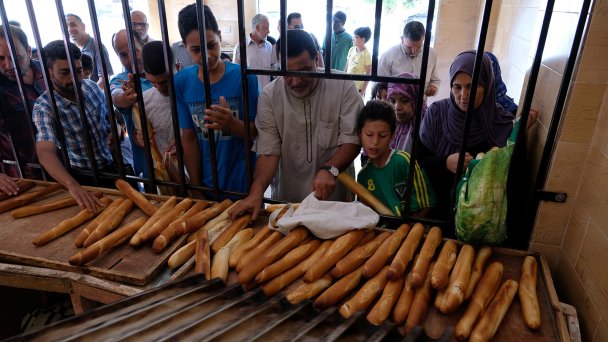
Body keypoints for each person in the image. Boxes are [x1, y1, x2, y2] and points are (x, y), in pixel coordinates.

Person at [231, 29, 363, 220]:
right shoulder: (270, 96)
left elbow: (352, 141)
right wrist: (256, 192)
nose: (295, 81)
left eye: (304, 71)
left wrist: (330, 169)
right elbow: (268, 152)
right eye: (287, 73)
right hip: (288, 203)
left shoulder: (342, 85)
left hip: (334, 203)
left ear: (317, 59)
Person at [176, 4, 259, 197]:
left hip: (242, 184)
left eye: (211, 45)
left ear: (220, 36)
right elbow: (188, 138)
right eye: (196, 49)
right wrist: (196, 187)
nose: (206, 55)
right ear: (185, 46)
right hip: (205, 185)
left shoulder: (245, 77)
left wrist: (233, 124)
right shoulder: (181, 82)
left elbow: (257, 132)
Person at [418, 50, 515, 215]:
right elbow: (418, 159)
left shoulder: (502, 121)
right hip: (435, 209)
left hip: (480, 217)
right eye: (457, 87)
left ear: (487, 84)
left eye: (472, 86)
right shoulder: (436, 113)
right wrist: (445, 162)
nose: (463, 95)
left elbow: (510, 177)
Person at [32, 40, 112, 211]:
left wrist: (115, 131)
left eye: (78, 70)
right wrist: (72, 185)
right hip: (81, 177)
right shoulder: (44, 106)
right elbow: (45, 151)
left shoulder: (92, 88)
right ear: (48, 72)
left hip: (113, 166)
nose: (74, 78)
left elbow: (109, 119)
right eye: (65, 72)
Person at [357, 100, 436, 217]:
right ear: (359, 134)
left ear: (392, 136)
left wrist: (403, 230)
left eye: (382, 135)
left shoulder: (404, 162)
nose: (375, 142)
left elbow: (426, 205)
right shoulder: (363, 175)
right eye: (369, 134)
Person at [0, 24, 46, 179]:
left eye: (16, 57)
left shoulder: (49, 71)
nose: (8, 65)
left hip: (70, 166)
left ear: (28, 51)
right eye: (0, 58)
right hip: (25, 177)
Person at [110, 29, 151, 179]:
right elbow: (115, 95)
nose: (131, 58)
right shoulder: (120, 81)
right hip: (149, 168)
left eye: (134, 50)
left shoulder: (164, 74)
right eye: (123, 55)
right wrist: (127, 96)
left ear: (144, 45)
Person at [378, 21, 440, 97]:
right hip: (394, 106)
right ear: (401, 39)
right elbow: (378, 86)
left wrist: (434, 88)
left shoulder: (431, 53)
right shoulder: (387, 56)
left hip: (420, 104)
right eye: (409, 47)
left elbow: (435, 80)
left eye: (419, 47)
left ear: (423, 39)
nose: (414, 51)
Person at [138, 41, 174, 155]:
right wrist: (139, 138)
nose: (159, 87)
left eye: (164, 82)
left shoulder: (193, 91)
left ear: (177, 66)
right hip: (166, 170)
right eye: (152, 82)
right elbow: (139, 134)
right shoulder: (145, 100)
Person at [65, 13, 114, 83]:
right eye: (66, 27)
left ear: (83, 26)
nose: (69, 29)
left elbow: (104, 79)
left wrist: (90, 93)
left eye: (73, 25)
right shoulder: (70, 49)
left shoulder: (97, 46)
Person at [233, 14, 276, 90]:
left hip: (266, 93)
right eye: (266, 28)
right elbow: (235, 73)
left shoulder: (269, 46)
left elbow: (273, 68)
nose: (268, 31)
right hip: (248, 93)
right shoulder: (240, 46)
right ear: (257, 28)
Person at [386, 72, 427, 153]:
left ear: (416, 99)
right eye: (393, 101)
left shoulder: (427, 126)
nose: (397, 107)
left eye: (405, 101)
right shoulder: (388, 123)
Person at [344, 26, 372, 97]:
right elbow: (346, 68)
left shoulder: (367, 54)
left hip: (357, 90)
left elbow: (368, 75)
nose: (353, 39)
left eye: (356, 37)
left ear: (363, 39)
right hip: (346, 86)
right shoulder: (351, 50)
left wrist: (362, 92)